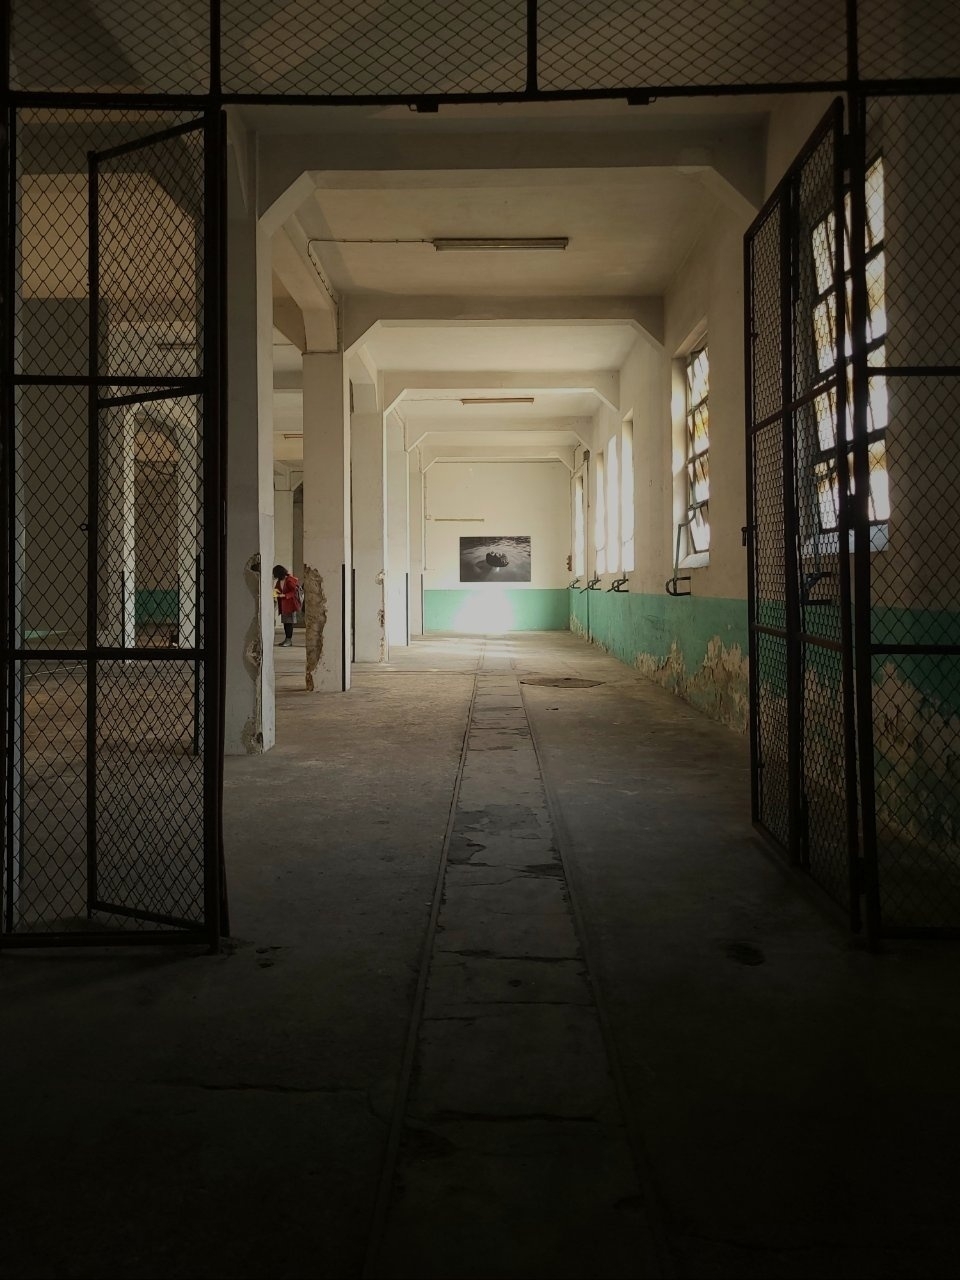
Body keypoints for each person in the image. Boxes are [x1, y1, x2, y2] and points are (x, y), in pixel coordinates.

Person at [272, 564, 301, 647]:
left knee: (289, 623)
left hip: (290, 605)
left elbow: (294, 592)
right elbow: (277, 589)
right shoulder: (279, 581)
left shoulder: (289, 580)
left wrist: (285, 595)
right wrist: (275, 593)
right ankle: (287, 639)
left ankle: (289, 640)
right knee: (285, 623)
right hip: (284, 605)